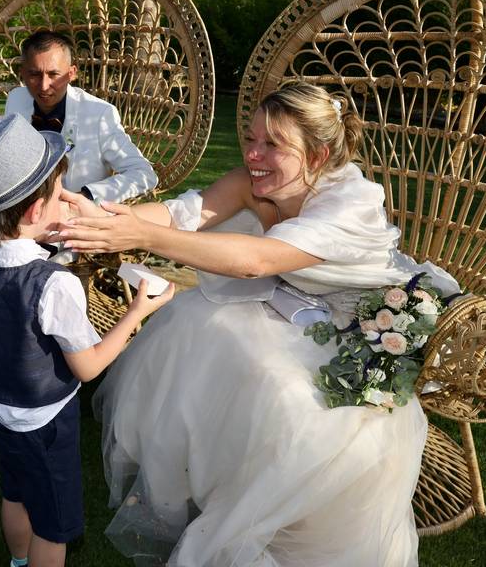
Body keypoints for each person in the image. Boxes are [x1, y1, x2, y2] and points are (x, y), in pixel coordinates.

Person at [59, 83, 463, 566]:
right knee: (192, 326)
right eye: (251, 138)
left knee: (288, 398)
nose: (253, 154)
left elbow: (255, 261)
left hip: (360, 326)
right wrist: (101, 216)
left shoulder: (349, 202)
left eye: (273, 144)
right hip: (284, 302)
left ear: (319, 154)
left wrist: (143, 236)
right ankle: (200, 488)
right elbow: (182, 213)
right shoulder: (252, 182)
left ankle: (275, 520)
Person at [0, 113, 174, 567]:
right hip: (47, 423)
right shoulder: (53, 283)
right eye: (60, 195)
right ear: (36, 212)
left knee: (15, 491)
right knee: (53, 526)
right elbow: (88, 367)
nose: (68, 200)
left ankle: (18, 561)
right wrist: (136, 312)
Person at [0, 31, 158, 243]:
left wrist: (86, 196)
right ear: (22, 73)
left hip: (71, 224)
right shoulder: (17, 100)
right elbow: (1, 162)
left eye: (53, 74)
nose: (44, 85)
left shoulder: (99, 114)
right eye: (34, 74)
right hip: (15, 219)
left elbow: (143, 173)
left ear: (71, 73)